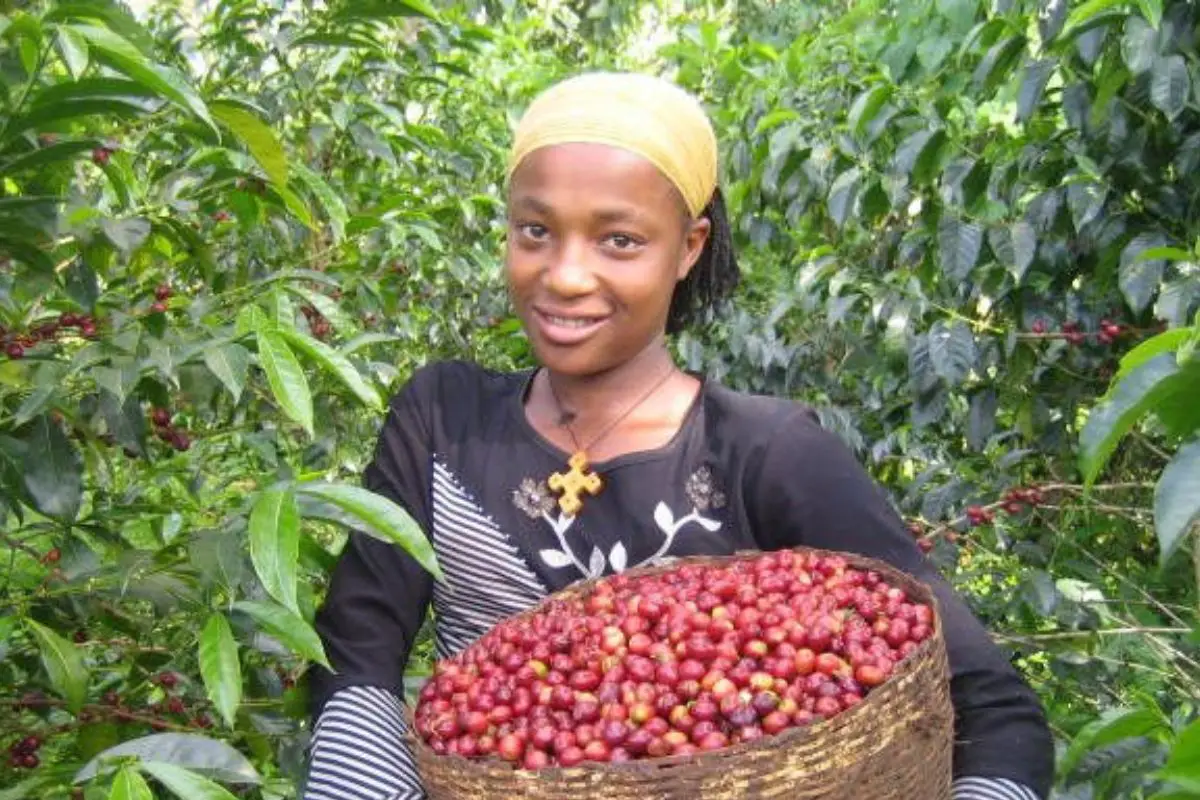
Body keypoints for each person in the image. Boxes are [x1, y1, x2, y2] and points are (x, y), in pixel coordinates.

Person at [301, 72, 1054, 800]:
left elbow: (991, 710)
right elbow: (355, 659)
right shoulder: (444, 418)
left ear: (689, 247)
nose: (564, 275)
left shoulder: (766, 453)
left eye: (619, 241)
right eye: (536, 230)